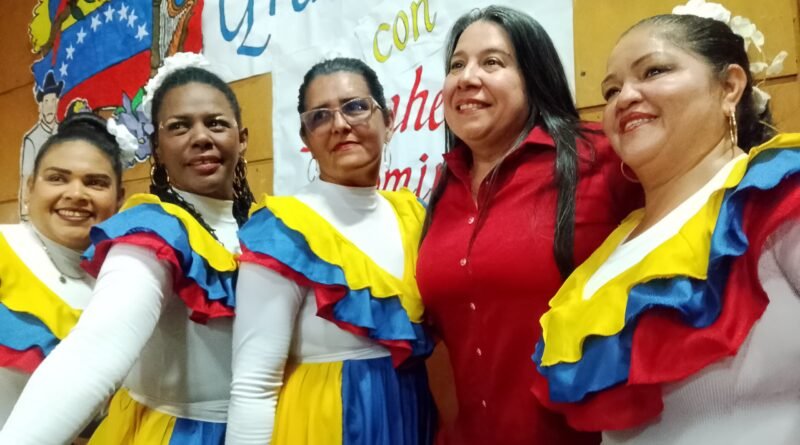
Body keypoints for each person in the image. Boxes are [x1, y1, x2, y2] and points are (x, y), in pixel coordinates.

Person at [532, 13, 800, 445]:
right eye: (611, 90)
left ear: (729, 86)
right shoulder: (604, 262)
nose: (624, 97)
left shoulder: (780, 194)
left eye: (654, 71)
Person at [416, 5, 643, 445]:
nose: (466, 78)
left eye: (492, 62)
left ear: (533, 76)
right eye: (456, 65)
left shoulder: (602, 159)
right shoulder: (444, 187)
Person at [0, 58, 255, 444]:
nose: (201, 137)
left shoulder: (270, 227)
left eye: (216, 123)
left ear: (242, 138)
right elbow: (91, 357)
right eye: (179, 126)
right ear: (157, 148)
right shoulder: (154, 236)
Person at [226, 57, 435, 445]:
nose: (340, 124)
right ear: (306, 139)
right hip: (322, 426)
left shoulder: (414, 217)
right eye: (320, 116)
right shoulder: (284, 229)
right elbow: (254, 384)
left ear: (388, 121)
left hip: (410, 417)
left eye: (355, 106)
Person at [1, 112, 124, 426]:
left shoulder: (122, 283)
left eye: (95, 183)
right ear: (30, 187)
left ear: (119, 199)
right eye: (57, 178)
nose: (76, 194)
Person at [19, 70, 64, 220]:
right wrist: (25, 212)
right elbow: (26, 177)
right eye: (46, 102)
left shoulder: (65, 134)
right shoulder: (32, 139)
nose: (50, 106)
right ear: (41, 107)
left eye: (53, 101)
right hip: (42, 208)